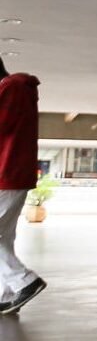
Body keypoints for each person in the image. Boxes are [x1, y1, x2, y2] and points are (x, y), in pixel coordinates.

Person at [0, 60, 46, 315]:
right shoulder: (17, 88)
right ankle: (8, 294)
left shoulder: (12, 87)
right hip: (11, 173)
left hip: (6, 173)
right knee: (3, 238)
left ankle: (24, 281)